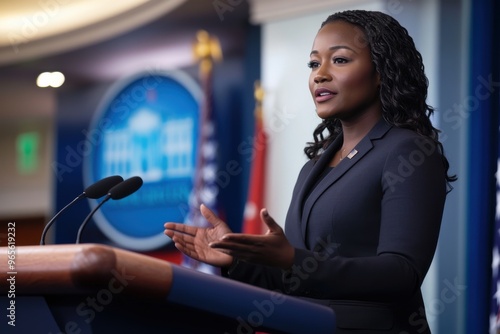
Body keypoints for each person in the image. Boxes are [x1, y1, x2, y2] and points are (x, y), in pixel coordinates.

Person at [164, 9, 456, 334]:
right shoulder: (314, 166)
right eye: (314, 63)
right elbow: (297, 278)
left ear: (381, 72)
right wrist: (235, 260)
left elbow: (401, 274)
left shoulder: (408, 151)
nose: (320, 74)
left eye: (340, 60)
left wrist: (294, 259)